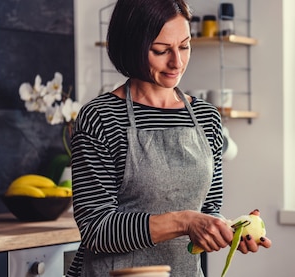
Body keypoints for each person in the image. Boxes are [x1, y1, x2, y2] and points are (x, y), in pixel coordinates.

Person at [66, 0, 271, 276]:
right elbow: (96, 229)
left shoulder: (206, 117)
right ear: (133, 46)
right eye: (160, 51)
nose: (177, 62)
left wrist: (228, 230)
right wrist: (184, 222)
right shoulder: (101, 118)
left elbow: (208, 210)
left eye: (184, 46)